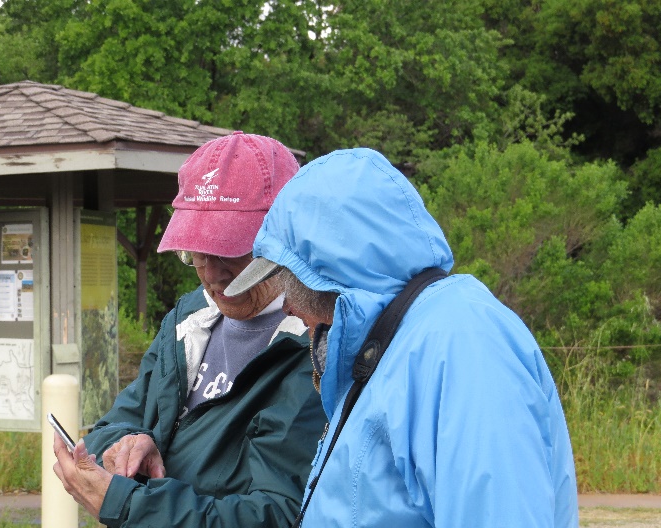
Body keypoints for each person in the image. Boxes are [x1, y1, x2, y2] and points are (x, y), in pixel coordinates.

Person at [224, 147, 579, 527]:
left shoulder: (461, 341)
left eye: (286, 284)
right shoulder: (393, 344)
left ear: (322, 275)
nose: (286, 308)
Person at [52, 132, 326, 527]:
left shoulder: (313, 349)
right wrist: (123, 446)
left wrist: (132, 507)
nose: (211, 274)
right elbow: (118, 420)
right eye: (195, 251)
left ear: (281, 239)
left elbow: (277, 515)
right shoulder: (190, 317)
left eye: (229, 250)